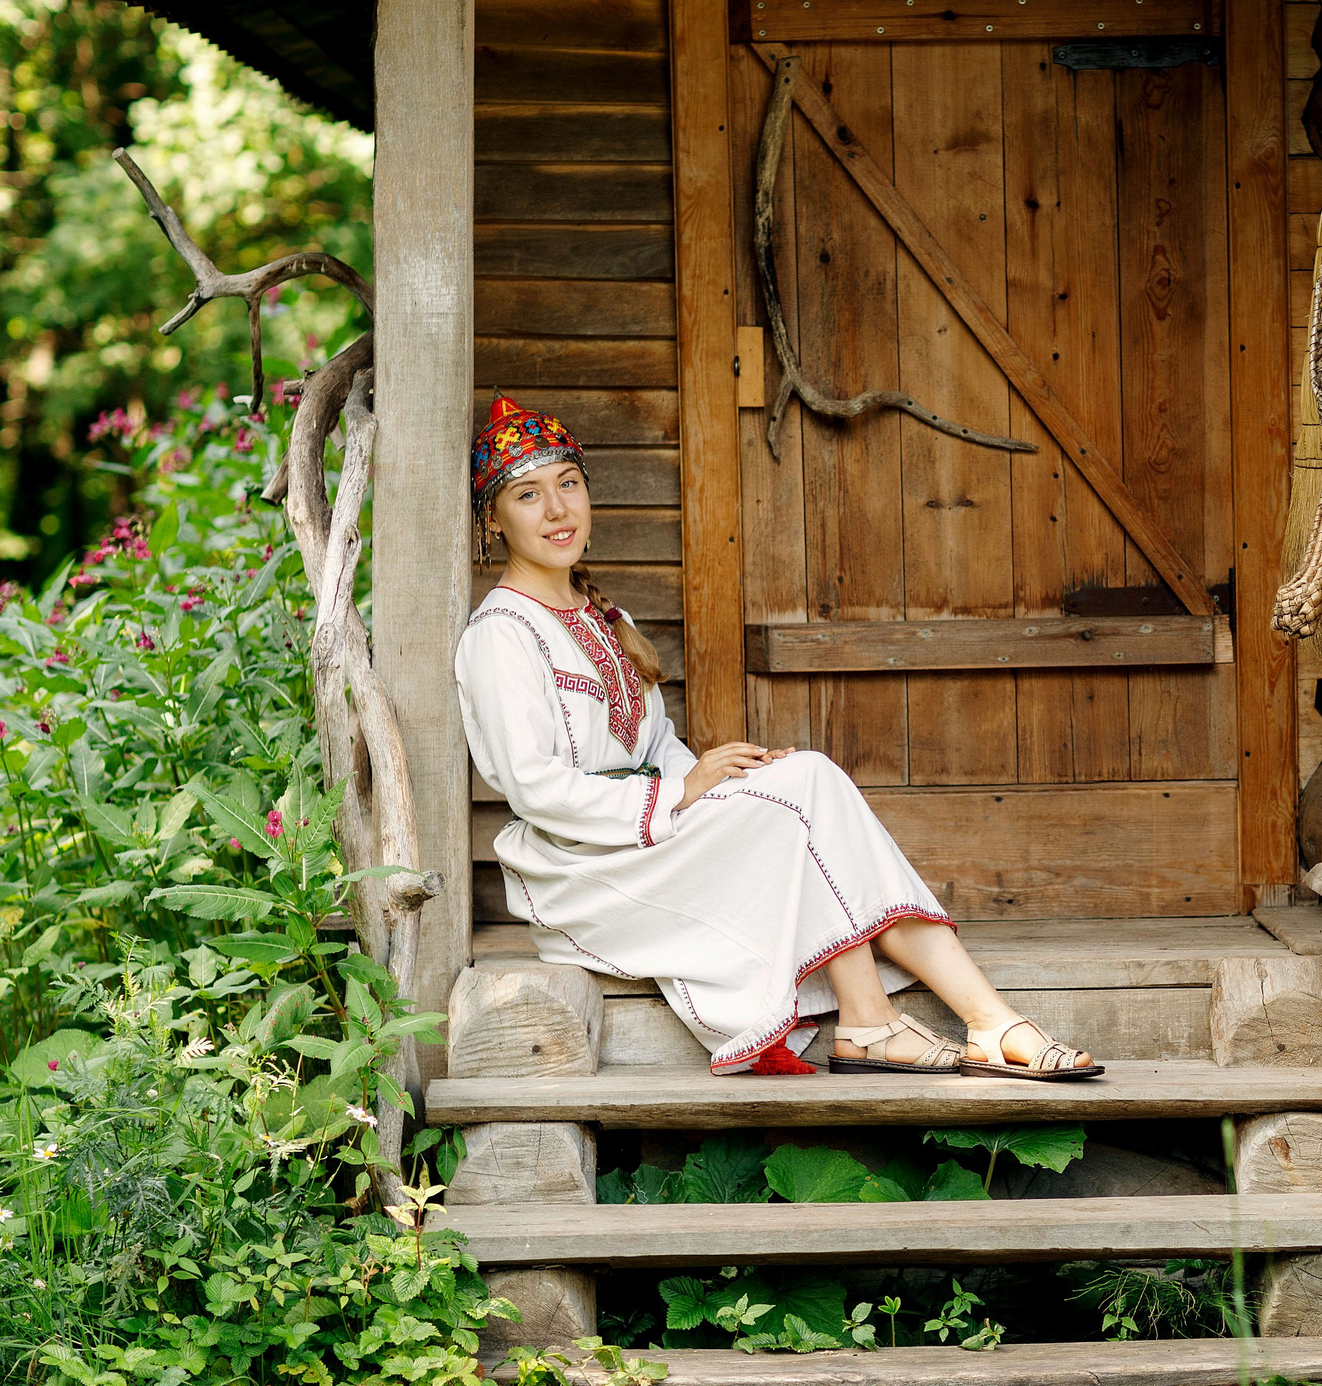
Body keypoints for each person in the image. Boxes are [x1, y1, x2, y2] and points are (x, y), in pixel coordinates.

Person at [454, 394, 1104, 1082]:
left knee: (801, 781)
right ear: (493, 521)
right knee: (805, 791)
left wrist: (717, 773)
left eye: (569, 484)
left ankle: (887, 1020)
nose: (558, 510)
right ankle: (977, 1021)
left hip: (638, 841)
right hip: (579, 869)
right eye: (528, 495)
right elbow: (535, 786)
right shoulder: (502, 634)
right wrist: (682, 792)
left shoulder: (604, 613)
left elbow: (655, 745)